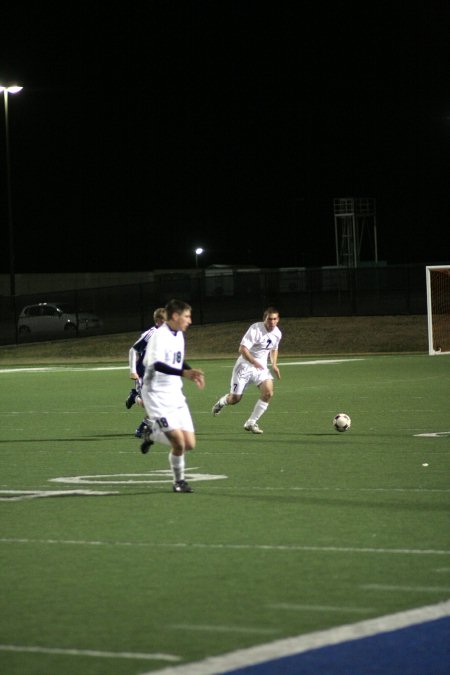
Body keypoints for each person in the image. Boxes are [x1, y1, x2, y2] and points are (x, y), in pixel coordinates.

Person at [139, 298, 205, 493]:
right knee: (178, 443)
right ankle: (179, 482)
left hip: (175, 392)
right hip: (156, 394)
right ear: (175, 316)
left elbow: (178, 359)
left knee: (190, 444)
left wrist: (191, 372)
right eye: (187, 316)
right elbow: (157, 364)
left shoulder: (179, 335)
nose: (190, 320)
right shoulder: (159, 336)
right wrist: (184, 373)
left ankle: (151, 433)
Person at [212, 307, 281, 434]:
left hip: (261, 369)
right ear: (264, 319)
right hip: (244, 367)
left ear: (278, 320)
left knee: (268, 393)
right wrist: (254, 361)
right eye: (269, 319)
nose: (272, 322)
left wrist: (274, 364)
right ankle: (221, 402)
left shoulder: (277, 333)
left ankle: (251, 422)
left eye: (275, 319)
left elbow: (274, 348)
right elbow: (242, 349)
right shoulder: (255, 329)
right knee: (235, 399)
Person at [125, 307, 167, 437]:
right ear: (159, 321)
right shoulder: (151, 334)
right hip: (143, 374)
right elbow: (133, 350)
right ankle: (134, 397)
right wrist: (133, 371)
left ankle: (143, 427)